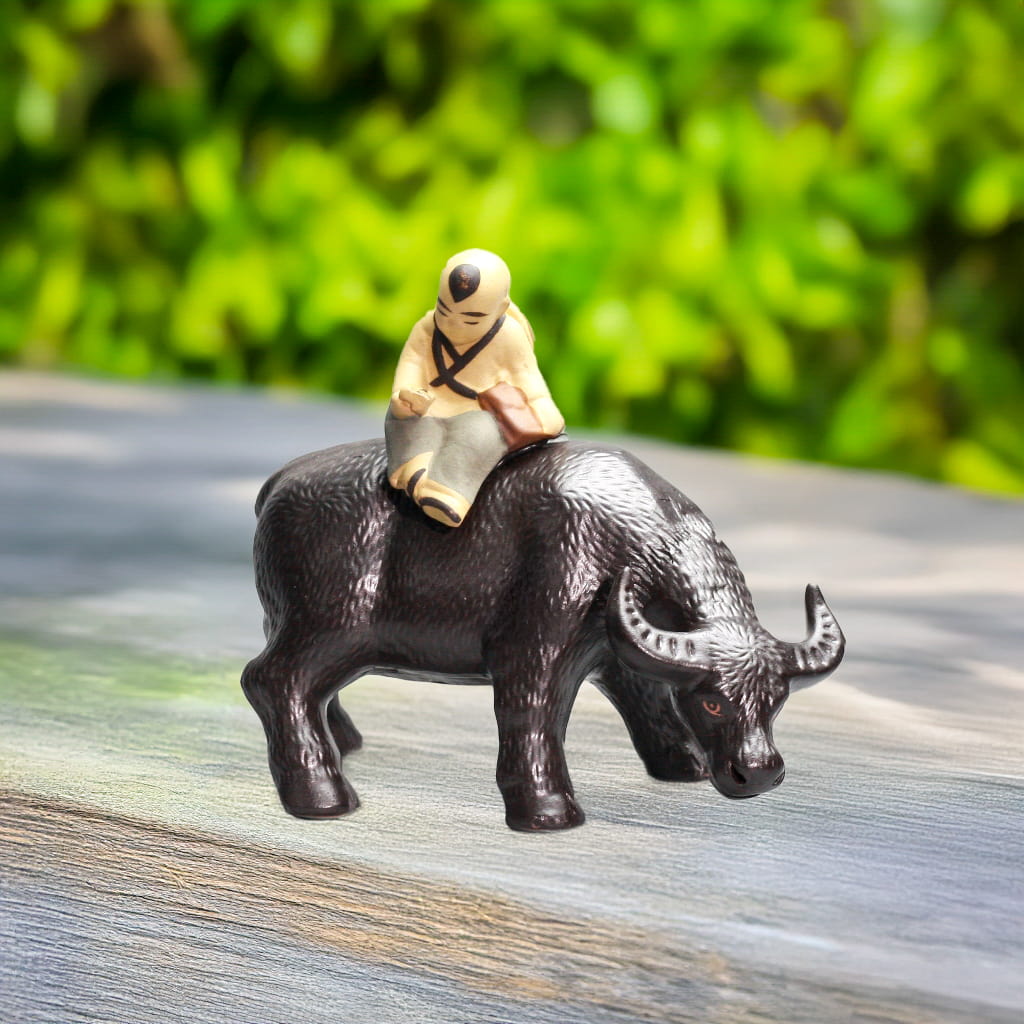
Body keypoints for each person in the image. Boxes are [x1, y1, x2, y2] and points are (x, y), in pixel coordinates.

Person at [386, 248, 564, 526]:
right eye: (444, 311)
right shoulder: (425, 328)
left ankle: (446, 490)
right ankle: (413, 470)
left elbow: (526, 377)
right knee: (405, 423)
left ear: (501, 309)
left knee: (481, 433)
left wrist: (543, 409)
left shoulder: (509, 336)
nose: (453, 324)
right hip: (430, 406)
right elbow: (410, 365)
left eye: (470, 319)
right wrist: (404, 397)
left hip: (475, 410)